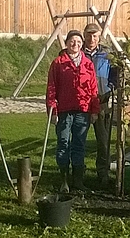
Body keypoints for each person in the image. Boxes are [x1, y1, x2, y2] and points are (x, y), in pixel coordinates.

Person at [46, 30, 100, 193]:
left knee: (79, 145)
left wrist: (94, 110)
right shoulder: (58, 63)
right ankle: (64, 180)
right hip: (64, 111)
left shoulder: (87, 64)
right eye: (72, 41)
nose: (75, 44)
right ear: (67, 42)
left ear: (82, 44)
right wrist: (52, 110)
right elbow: (51, 88)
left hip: (82, 111)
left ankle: (77, 180)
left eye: (78, 41)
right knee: (63, 143)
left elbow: (93, 89)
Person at [82, 23, 116, 187]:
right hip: (82, 102)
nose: (91, 38)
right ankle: (78, 173)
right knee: (78, 139)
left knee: (103, 141)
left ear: (99, 36)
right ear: (84, 35)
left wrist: (111, 88)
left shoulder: (107, 54)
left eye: (95, 35)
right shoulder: (78, 53)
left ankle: (103, 173)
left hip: (102, 101)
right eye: (89, 35)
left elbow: (116, 74)